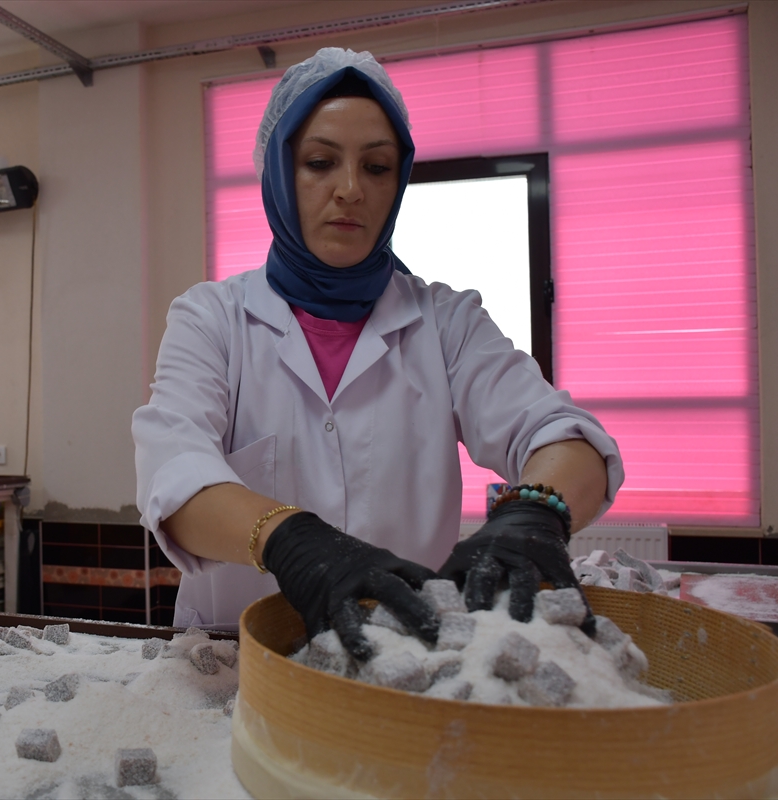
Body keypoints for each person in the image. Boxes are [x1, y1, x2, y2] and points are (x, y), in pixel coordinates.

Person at [132, 48, 624, 660]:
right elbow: (175, 473)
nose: (350, 190)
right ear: (278, 174)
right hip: (238, 661)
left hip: (404, 660)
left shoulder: (446, 322)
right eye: (319, 163)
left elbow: (562, 435)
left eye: (377, 167)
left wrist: (533, 513)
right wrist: (287, 539)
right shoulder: (213, 319)